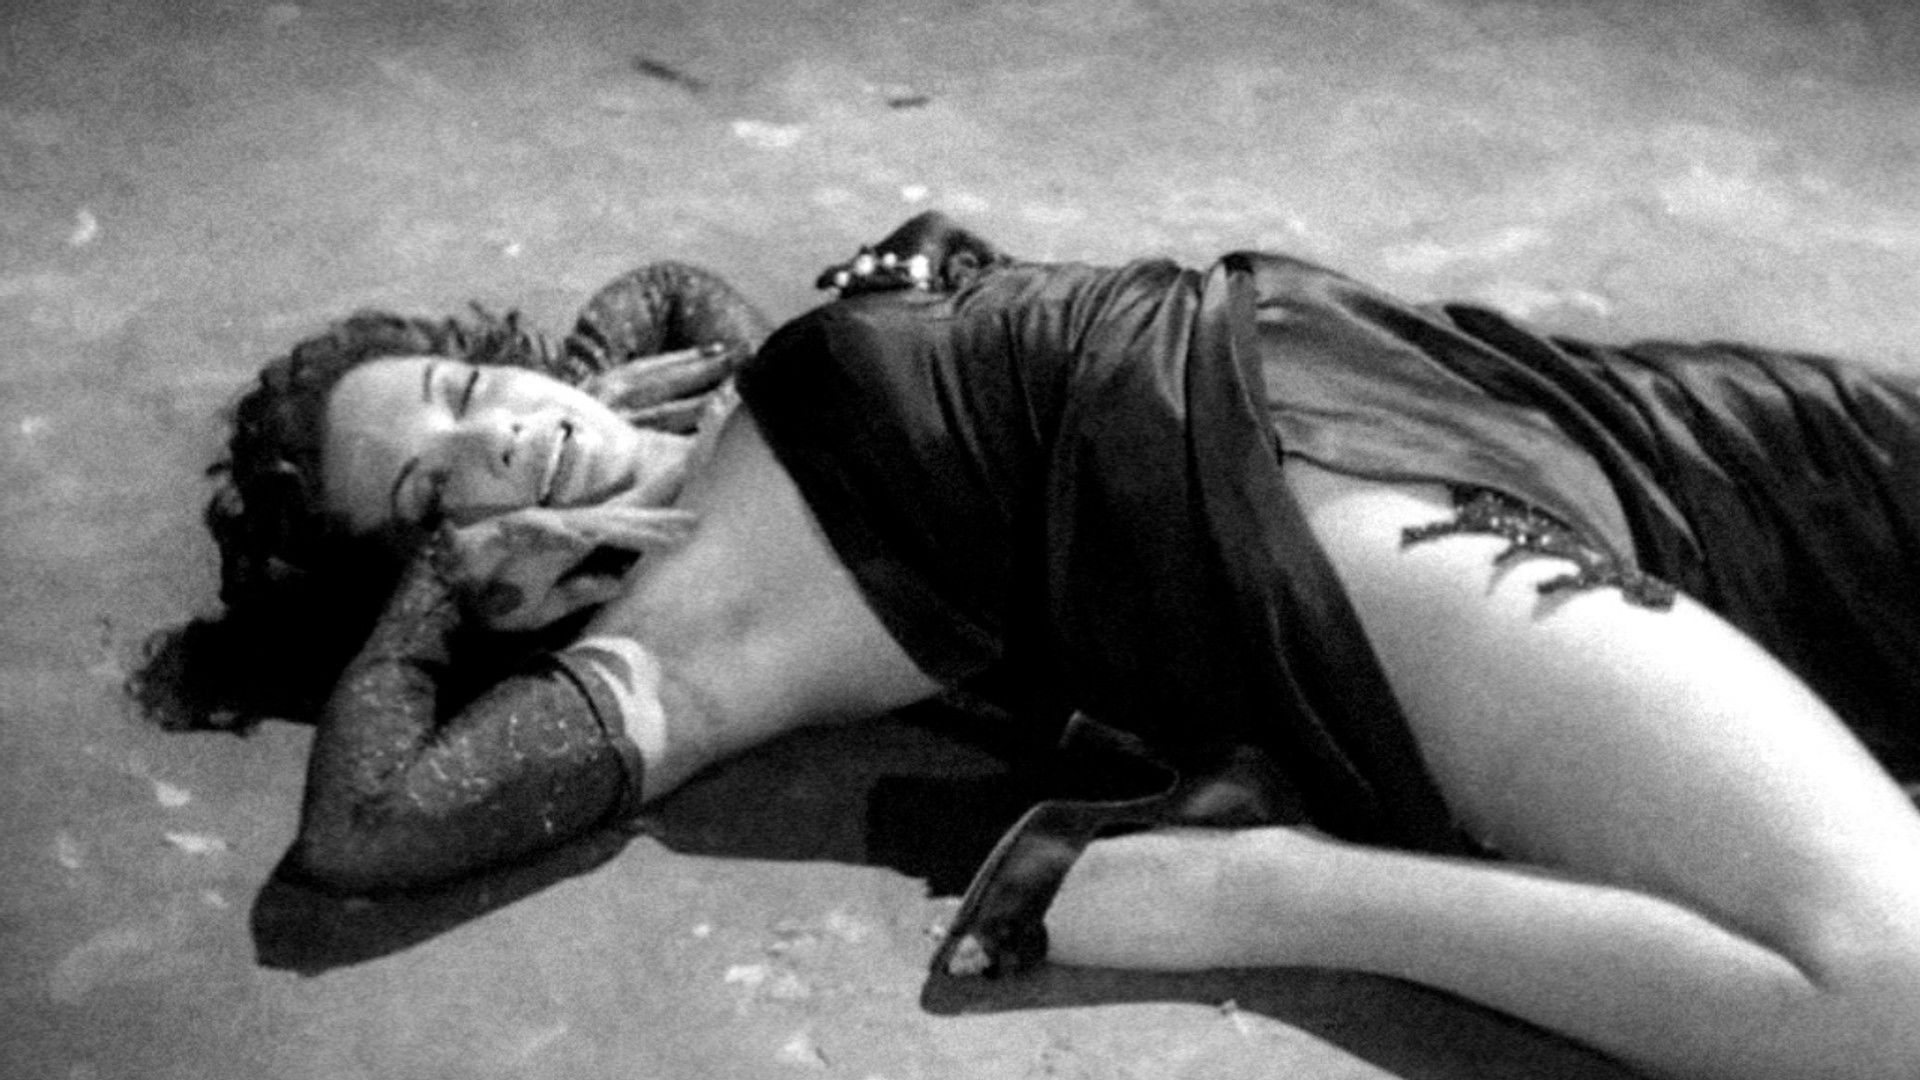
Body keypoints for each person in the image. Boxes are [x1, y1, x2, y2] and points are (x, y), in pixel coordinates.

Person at [143, 213, 1920, 1080]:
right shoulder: (668, 653)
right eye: (434, 486)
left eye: (469, 386)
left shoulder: (708, 395)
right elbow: (370, 824)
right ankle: (1280, 892)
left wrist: (575, 410)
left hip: (1433, 377)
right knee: (1887, 992)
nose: (504, 436)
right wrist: (442, 590)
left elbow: (666, 290)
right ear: (462, 584)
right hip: (1350, 533)